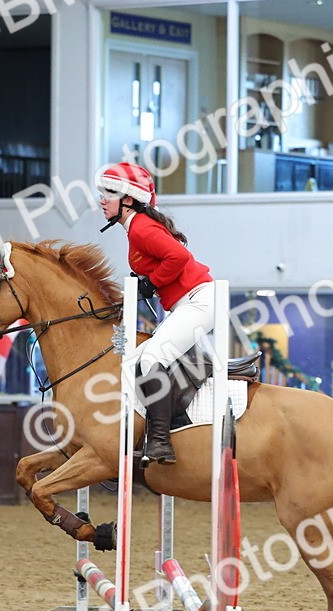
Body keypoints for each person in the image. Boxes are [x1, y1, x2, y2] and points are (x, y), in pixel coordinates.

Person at [96, 162, 214, 466]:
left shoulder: (141, 227)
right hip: (189, 302)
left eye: (109, 193)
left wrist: (151, 282)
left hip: (198, 301)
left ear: (128, 200)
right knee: (139, 359)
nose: (102, 200)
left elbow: (178, 256)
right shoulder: (135, 227)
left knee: (151, 358)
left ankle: (160, 441)